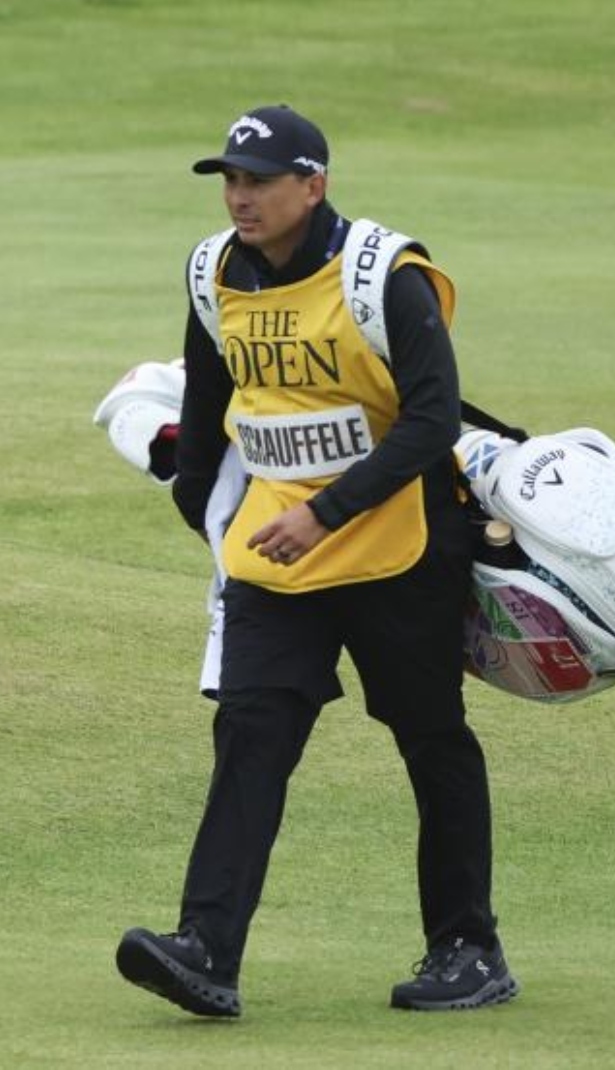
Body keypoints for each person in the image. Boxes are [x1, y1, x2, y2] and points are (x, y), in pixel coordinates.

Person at [115, 105, 516, 1016]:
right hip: (275, 559)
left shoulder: (385, 276)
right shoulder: (214, 271)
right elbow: (214, 397)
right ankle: (205, 952)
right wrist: (200, 508)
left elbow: (430, 420)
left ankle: (468, 946)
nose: (240, 197)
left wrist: (323, 514)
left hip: (402, 549)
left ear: (313, 185)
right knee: (251, 736)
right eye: (230, 179)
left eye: (258, 181)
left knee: (430, 739)